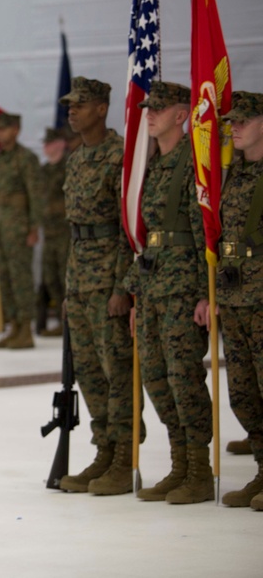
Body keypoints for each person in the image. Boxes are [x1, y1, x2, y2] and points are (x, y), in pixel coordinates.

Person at [121, 81, 212, 503]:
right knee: (157, 380)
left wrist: (202, 295)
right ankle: (179, 465)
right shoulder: (153, 166)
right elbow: (147, 240)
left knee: (184, 378)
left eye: (159, 108)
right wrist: (137, 295)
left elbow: (202, 236)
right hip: (154, 289)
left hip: (180, 292)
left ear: (181, 114)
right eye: (148, 108)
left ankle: (198, 470)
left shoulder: (192, 167)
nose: (150, 114)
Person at [57, 77, 142, 495]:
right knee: (90, 372)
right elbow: (75, 230)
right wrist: (69, 288)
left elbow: (129, 229)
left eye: (81, 105)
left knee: (117, 371)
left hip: (109, 277)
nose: (72, 111)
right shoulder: (76, 159)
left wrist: (122, 287)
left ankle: (125, 458)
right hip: (81, 280)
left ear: (102, 108)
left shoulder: (120, 156)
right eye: (70, 105)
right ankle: (104, 452)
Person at [214, 91, 263, 509]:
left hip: (262, 296)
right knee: (243, 392)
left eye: (244, 121)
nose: (235, 127)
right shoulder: (236, 174)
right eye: (232, 121)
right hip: (234, 297)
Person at [0, 113, 42, 349]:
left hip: (19, 226)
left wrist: (33, 227)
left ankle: (26, 329)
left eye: (4, 129)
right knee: (5, 278)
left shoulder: (26, 158)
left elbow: (35, 194)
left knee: (21, 278)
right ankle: (14, 326)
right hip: (2, 226)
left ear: (16, 130)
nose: (0, 134)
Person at [39, 127, 70, 337]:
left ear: (60, 143)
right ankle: (60, 320)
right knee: (50, 277)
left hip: (65, 231)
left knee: (64, 275)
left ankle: (68, 323)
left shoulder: (68, 166)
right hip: (49, 231)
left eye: (50, 143)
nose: (45, 147)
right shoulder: (44, 170)